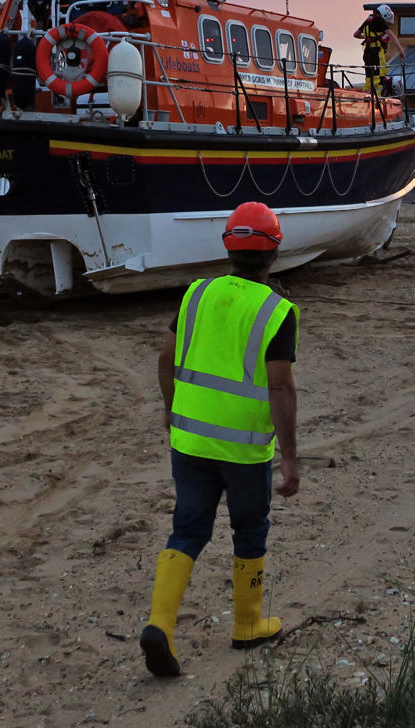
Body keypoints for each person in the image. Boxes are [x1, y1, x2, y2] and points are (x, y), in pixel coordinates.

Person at [141, 201, 301, 678]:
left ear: (228, 245)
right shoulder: (277, 310)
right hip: (244, 450)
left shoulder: (196, 293)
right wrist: (289, 459)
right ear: (274, 253)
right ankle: (248, 625)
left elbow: (165, 358)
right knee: (249, 531)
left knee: (187, 530)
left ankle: (160, 625)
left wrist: (172, 412)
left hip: (189, 441)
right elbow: (280, 386)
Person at [354, 5, 403, 95]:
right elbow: (391, 35)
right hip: (376, 53)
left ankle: (368, 97)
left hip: (367, 52)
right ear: (385, 14)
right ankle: (377, 100)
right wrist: (400, 50)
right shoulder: (380, 21)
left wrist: (369, 38)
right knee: (379, 77)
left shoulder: (368, 20)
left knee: (369, 77)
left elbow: (356, 34)